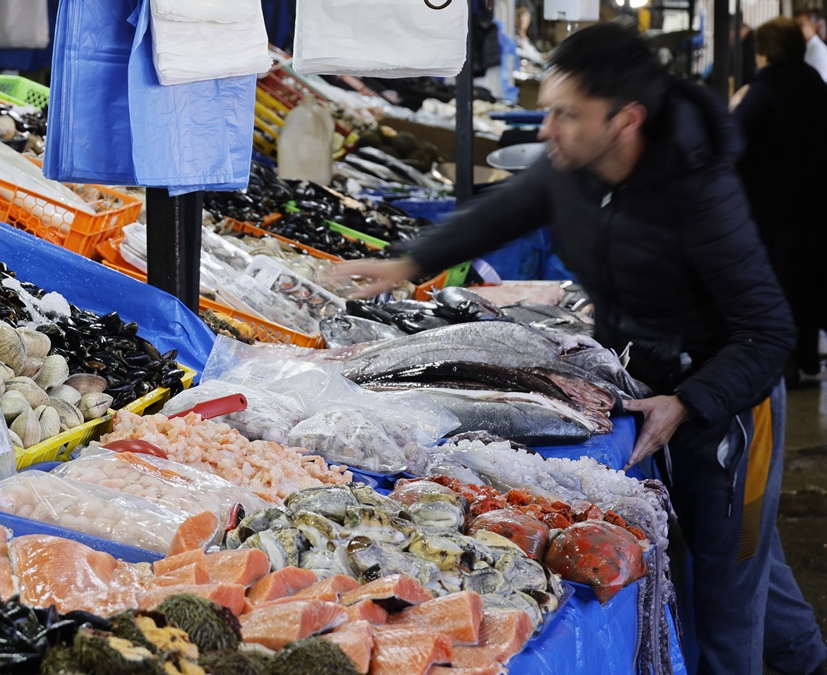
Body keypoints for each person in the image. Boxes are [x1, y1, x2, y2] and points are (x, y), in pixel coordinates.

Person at [336, 22, 825, 675]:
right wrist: (408, 262)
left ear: (625, 119)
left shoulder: (701, 193)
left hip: (726, 408)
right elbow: (508, 207)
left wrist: (688, 401)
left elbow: (769, 333)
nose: (547, 129)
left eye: (566, 114)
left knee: (721, 598)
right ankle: (807, 659)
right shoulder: (576, 167)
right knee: (742, 562)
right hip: (641, 381)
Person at [732, 17, 827, 382]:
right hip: (815, 202)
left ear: (764, 50)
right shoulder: (815, 82)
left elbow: (734, 140)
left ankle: (784, 367)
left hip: (773, 205)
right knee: (808, 280)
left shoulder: (764, 87)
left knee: (779, 283)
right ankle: (807, 357)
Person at [796, 10, 827, 81]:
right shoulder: (807, 47)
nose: (797, 28)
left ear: (813, 27)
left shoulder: (817, 49)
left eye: (801, 25)